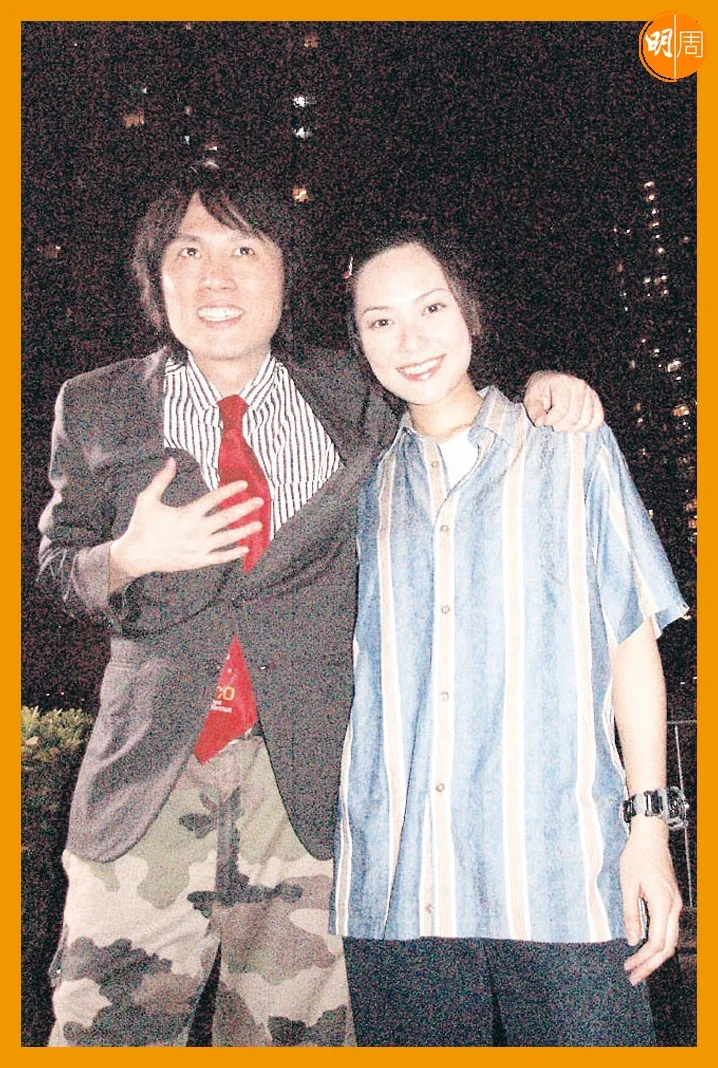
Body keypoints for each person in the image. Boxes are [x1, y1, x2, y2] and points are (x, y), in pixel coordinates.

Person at [37, 163, 605, 1046]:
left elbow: (441, 391)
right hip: (145, 786)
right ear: (156, 277)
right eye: (188, 252)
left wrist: (543, 391)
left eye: (244, 250)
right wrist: (125, 558)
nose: (216, 277)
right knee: (102, 1038)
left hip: (305, 791)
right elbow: (54, 566)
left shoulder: (353, 392)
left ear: (284, 273)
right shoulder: (97, 403)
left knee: (296, 1041)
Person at [331, 229, 689, 1046]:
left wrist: (649, 830)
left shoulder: (566, 443)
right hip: (401, 879)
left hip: (560, 871)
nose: (411, 340)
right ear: (359, 342)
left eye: (431, 308)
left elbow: (631, 645)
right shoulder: (360, 484)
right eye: (380, 321)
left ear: (470, 312)